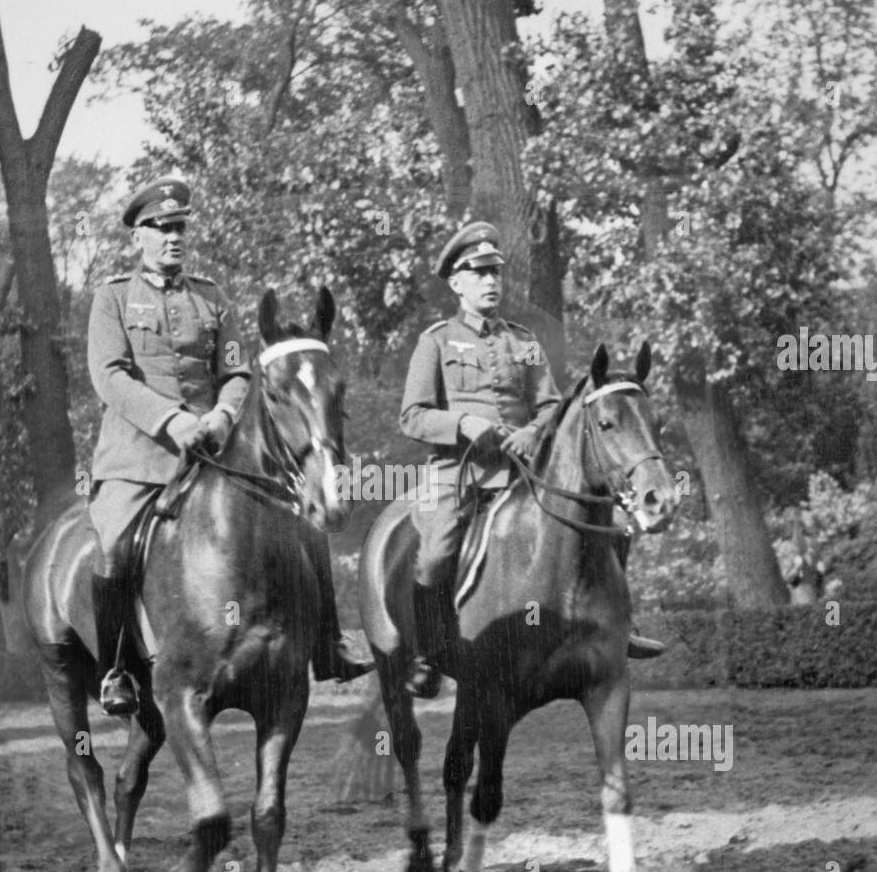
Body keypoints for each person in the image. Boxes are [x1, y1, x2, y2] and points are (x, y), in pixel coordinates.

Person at [87, 175, 372, 715]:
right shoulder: (113, 298)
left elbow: (238, 369)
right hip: (139, 458)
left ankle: (328, 646)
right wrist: (173, 422)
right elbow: (110, 376)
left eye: (180, 228)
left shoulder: (212, 298)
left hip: (218, 454)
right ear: (138, 237)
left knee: (306, 525)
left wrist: (221, 413)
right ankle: (117, 670)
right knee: (114, 545)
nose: (174, 237)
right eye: (162, 228)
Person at [399, 220, 661, 698]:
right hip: (459, 475)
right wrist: (465, 426)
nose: (491, 282)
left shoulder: (523, 341)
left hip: (525, 472)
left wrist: (531, 431)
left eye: (495, 272)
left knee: (609, 518)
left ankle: (619, 623)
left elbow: (550, 405)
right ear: (456, 283)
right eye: (478, 273)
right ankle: (428, 653)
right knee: (436, 550)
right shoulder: (434, 342)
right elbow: (413, 417)